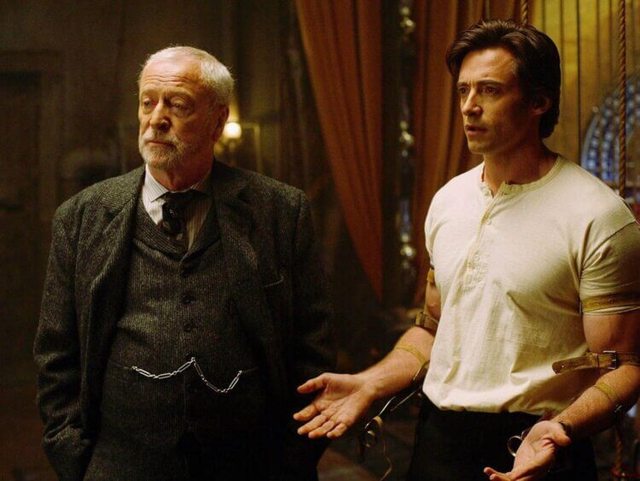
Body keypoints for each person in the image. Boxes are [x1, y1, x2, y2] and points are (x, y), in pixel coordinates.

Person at [294, 19, 640, 481]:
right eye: (463, 91)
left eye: (490, 91)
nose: (469, 107)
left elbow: (624, 367)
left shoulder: (598, 214)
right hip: (439, 442)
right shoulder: (448, 200)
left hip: (538, 442)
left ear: (539, 102)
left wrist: (560, 430)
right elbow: (433, 327)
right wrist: (370, 383)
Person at [34, 46, 335, 481]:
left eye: (177, 105)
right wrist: (76, 462)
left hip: (254, 467)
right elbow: (56, 354)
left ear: (217, 120)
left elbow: (313, 346)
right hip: (119, 466)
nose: (156, 118)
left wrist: (294, 458)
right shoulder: (82, 217)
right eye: (147, 103)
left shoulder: (281, 211)